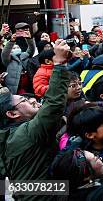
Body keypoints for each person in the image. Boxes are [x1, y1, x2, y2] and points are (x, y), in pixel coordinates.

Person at [0, 40, 70, 201]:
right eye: (23, 101)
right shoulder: (26, 133)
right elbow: (53, 105)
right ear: (12, 114)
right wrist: (59, 65)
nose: (31, 100)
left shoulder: (7, 136)